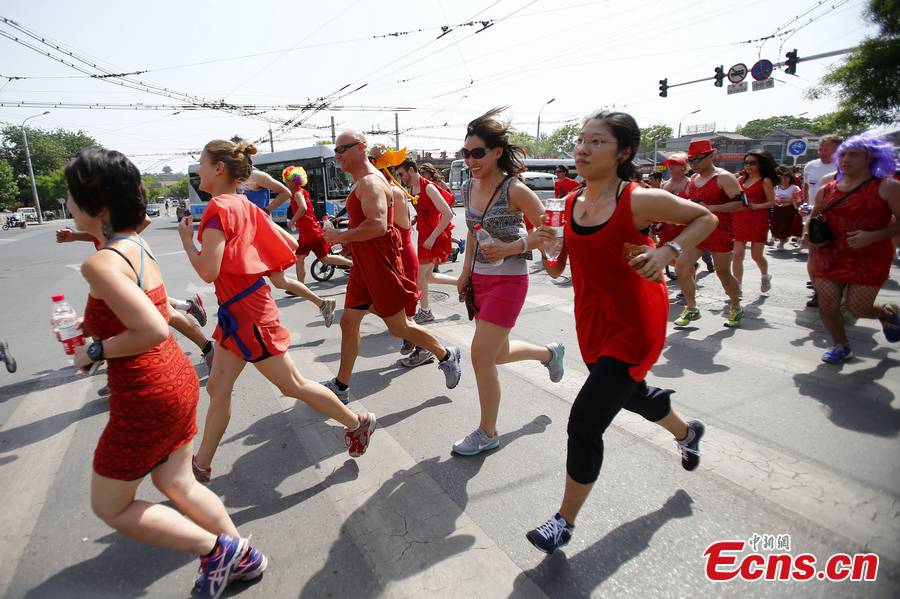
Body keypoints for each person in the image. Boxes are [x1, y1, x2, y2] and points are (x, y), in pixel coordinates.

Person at [64, 148, 266, 598]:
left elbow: (152, 328)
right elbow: (146, 309)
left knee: (110, 506)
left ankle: (217, 550)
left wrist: (93, 349)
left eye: (71, 196)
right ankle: (242, 558)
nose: (68, 205)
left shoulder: (100, 261)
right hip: (174, 381)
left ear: (96, 206)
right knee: (174, 480)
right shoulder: (135, 244)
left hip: (145, 392)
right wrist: (96, 324)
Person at [524, 110, 717, 554]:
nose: (582, 149)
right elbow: (557, 269)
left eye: (596, 141)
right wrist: (543, 246)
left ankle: (563, 522)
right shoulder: (570, 203)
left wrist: (668, 252)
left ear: (623, 152)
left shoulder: (639, 200)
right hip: (593, 323)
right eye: (580, 140)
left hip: (635, 325)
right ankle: (687, 432)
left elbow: (704, 218)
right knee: (630, 395)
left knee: (586, 422)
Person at [179, 139, 375, 482]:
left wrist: (187, 241)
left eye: (201, 161)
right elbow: (291, 244)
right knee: (217, 389)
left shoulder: (217, 209)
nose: (198, 169)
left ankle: (356, 422)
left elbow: (208, 271)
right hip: (239, 313)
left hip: (248, 316)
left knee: (293, 385)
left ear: (219, 168)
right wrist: (249, 255)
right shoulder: (245, 206)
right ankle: (201, 464)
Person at [451, 107, 565, 457]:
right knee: (496, 354)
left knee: (480, 356)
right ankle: (549, 353)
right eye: (465, 153)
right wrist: (466, 272)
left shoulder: (515, 189)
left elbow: (550, 232)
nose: (471, 160)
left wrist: (511, 247)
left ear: (497, 151)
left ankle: (487, 432)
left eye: (478, 153)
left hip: (509, 282)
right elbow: (472, 232)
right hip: (481, 282)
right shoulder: (469, 187)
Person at [320, 131, 462, 402]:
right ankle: (341, 385)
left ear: (361, 148)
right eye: (335, 149)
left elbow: (377, 225)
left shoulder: (371, 182)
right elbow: (368, 223)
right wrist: (349, 242)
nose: (337, 154)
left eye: (343, 149)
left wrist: (341, 237)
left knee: (399, 327)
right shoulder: (362, 181)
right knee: (349, 323)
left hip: (379, 266)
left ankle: (446, 354)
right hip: (364, 266)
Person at [56, 223, 215, 368]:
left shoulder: (100, 260)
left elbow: (142, 220)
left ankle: (206, 345)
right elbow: (100, 232)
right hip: (123, 264)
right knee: (157, 309)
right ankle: (193, 318)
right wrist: (76, 236)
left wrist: (95, 350)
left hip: (124, 265)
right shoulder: (104, 231)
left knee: (160, 311)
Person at [805, 134, 900, 364]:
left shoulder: (888, 186)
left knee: (858, 308)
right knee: (827, 303)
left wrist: (875, 236)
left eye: (853, 154)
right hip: (829, 253)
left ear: (870, 157)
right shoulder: (826, 189)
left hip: (870, 255)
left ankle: (889, 314)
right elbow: (814, 216)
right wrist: (807, 237)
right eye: (843, 154)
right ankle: (841, 345)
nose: (846, 159)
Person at [232, 164, 337, 326]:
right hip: (250, 234)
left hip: (262, 233)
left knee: (273, 280)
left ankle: (258, 324)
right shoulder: (236, 178)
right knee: (279, 282)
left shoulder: (257, 175)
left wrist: (265, 210)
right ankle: (323, 303)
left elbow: (285, 193)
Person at [673, 139, 745, 328]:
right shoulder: (693, 179)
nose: (694, 164)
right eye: (691, 160)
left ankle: (736, 306)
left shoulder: (724, 177)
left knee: (723, 273)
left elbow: (740, 204)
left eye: (697, 159)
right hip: (698, 232)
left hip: (721, 232)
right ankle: (691, 308)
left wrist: (711, 207)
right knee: (681, 266)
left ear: (710, 156)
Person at [395, 159, 457, 325]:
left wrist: (432, 237)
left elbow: (448, 214)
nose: (400, 178)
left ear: (410, 170)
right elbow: (426, 210)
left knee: (418, 275)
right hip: (425, 234)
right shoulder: (412, 188)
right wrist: (417, 219)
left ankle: (425, 311)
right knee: (427, 276)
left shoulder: (428, 187)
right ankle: (462, 283)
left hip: (433, 236)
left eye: (401, 174)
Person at [281, 165, 352, 284]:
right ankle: (300, 286)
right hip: (305, 234)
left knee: (325, 259)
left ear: (294, 181)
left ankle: (352, 264)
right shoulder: (302, 192)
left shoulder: (298, 193)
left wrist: (292, 221)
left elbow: (303, 208)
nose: (285, 183)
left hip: (311, 233)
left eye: (287, 180)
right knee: (299, 259)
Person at [731, 150, 777, 294]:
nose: (748, 166)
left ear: (760, 164)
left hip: (758, 220)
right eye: (746, 162)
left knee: (756, 255)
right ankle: (737, 286)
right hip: (739, 219)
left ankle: (765, 275)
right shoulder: (739, 180)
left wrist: (757, 206)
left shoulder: (765, 181)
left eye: (752, 163)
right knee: (737, 254)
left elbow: (772, 202)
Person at [420, 162, 465, 262]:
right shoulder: (423, 184)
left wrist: (444, 208)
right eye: (420, 172)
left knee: (441, 236)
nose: (421, 175)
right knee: (439, 238)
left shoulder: (438, 182)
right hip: (429, 218)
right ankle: (451, 252)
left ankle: (445, 255)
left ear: (430, 172)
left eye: (424, 172)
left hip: (440, 215)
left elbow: (451, 198)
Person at [804, 134, 842, 208]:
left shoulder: (844, 167)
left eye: (826, 150)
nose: (821, 153)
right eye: (820, 150)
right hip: (812, 214)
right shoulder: (810, 166)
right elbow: (806, 188)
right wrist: (805, 206)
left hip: (834, 215)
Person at [771, 167, 803, 250]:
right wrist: (776, 200)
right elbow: (772, 198)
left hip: (789, 210)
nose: (784, 180)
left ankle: (781, 243)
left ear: (790, 178)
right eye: (782, 178)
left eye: (786, 178)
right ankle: (781, 239)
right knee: (775, 226)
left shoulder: (794, 188)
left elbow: (799, 200)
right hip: (777, 210)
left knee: (785, 227)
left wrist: (789, 200)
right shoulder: (776, 188)